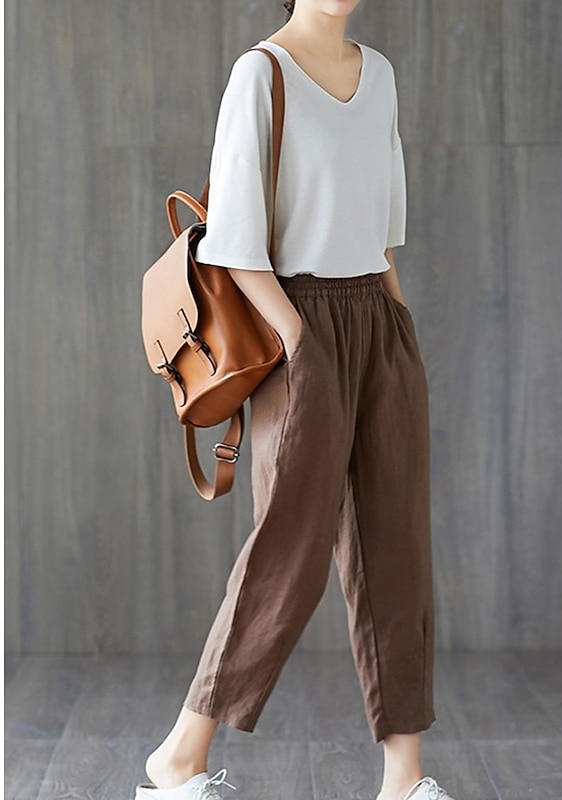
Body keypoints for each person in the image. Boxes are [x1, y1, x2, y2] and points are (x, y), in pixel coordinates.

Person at [133, 2, 456, 799]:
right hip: (294, 323)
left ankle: (405, 778)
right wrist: (301, 343)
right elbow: (235, 244)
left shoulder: (379, 76)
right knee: (290, 548)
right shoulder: (261, 74)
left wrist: (401, 332)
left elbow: (382, 233)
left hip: (377, 321)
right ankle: (178, 757)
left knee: (397, 546)